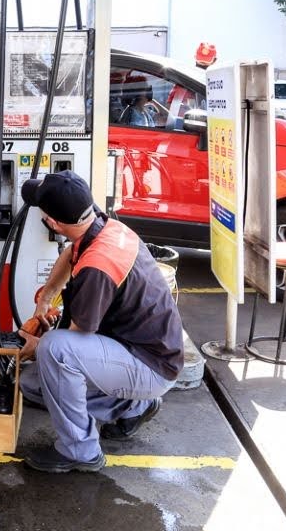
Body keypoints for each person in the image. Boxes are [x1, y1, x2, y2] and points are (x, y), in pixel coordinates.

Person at [16, 171, 184, 473]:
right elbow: (71, 254)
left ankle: (81, 452)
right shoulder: (105, 227)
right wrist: (46, 298)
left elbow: (72, 342)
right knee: (32, 385)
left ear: (52, 223)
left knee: (54, 352)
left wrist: (36, 345)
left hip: (150, 365)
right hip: (142, 351)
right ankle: (134, 407)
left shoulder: (98, 266)